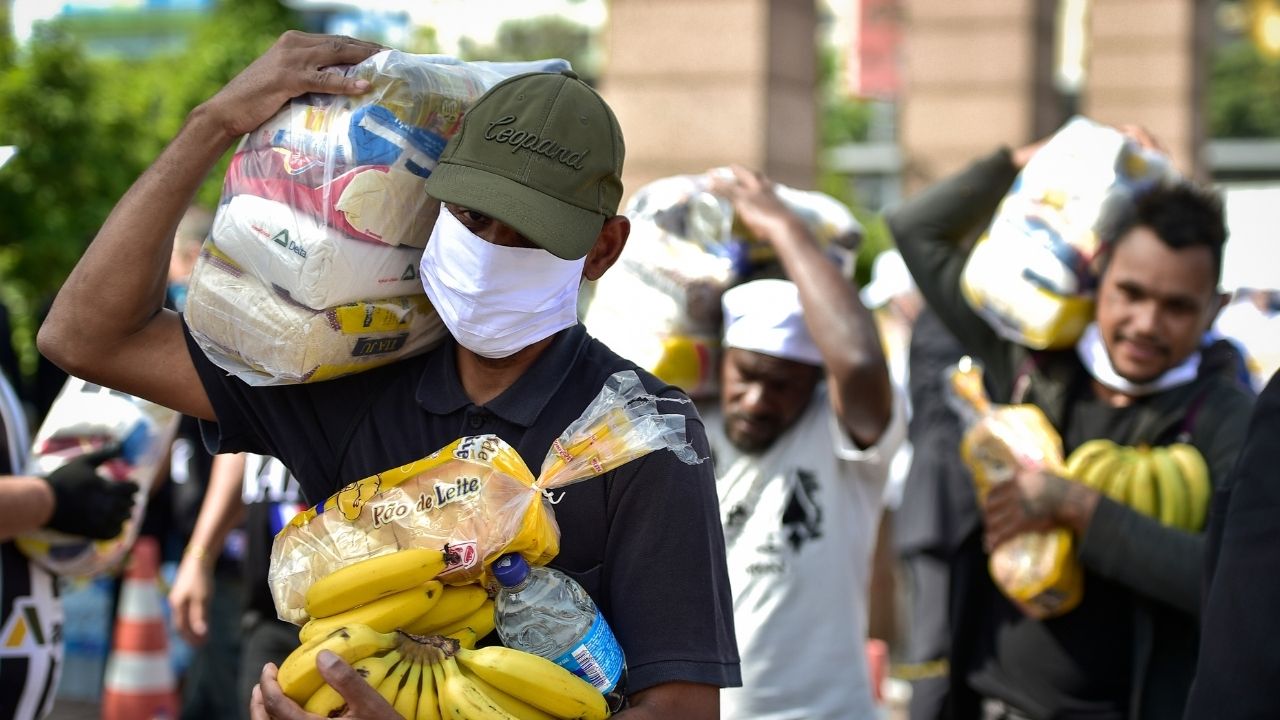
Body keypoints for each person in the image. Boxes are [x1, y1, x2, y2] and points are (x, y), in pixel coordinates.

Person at [36, 31, 739, 719]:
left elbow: (678, 705)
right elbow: (88, 337)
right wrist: (213, 123)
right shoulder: (348, 374)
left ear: (602, 249)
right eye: (472, 217)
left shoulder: (639, 431)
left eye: (531, 233)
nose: (491, 251)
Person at [885, 131, 1255, 720]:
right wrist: (1040, 158)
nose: (1145, 323)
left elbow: (1236, 586)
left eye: (1177, 306)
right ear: (1097, 278)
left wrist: (1079, 507)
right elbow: (916, 229)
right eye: (1129, 293)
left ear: (1215, 306)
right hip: (993, 702)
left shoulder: (1227, 420)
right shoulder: (1035, 363)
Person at [698, 167, 904, 719]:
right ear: (722, 361)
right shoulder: (687, 420)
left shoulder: (844, 438)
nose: (758, 400)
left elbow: (859, 361)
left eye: (784, 384)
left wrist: (783, 227)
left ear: (816, 382)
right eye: (746, 374)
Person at [170, 452, 304, 720]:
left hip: (350, 613)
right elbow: (237, 447)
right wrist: (199, 556)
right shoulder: (263, 411)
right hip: (267, 611)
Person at [1182, 369, 1280, 719]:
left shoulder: (1226, 412)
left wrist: (1090, 514)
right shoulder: (1043, 376)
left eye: (1177, 309)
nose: (1147, 325)